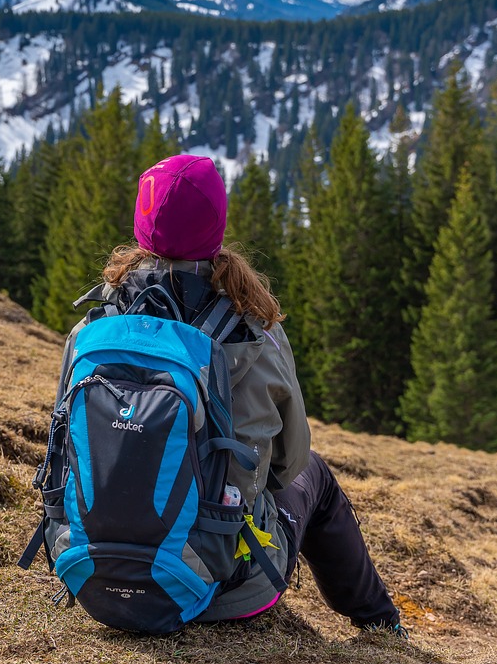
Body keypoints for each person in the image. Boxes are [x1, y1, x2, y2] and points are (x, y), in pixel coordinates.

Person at [69, 153, 405, 634]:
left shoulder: (95, 325)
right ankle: (381, 623)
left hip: (96, 575)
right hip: (223, 585)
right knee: (316, 475)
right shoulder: (253, 331)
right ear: (216, 226)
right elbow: (287, 465)